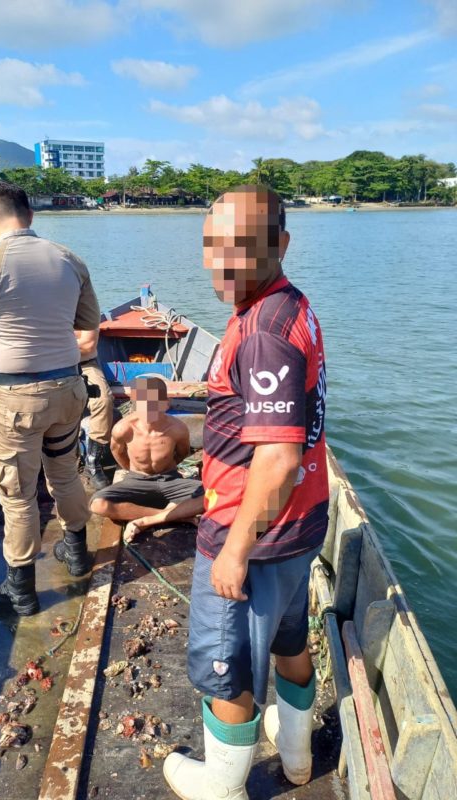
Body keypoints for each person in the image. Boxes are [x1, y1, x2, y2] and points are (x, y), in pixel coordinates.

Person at [163, 186, 329, 800]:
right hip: (302, 525)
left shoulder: (262, 330)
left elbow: (279, 456)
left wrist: (234, 549)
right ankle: (297, 757)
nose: (221, 261)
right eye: (212, 245)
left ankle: (223, 787)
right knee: (290, 640)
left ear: (279, 245)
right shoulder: (290, 306)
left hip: (255, 535)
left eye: (240, 246)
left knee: (224, 667)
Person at [0, 180, 100, 620]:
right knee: (65, 472)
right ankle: (78, 554)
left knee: (17, 494)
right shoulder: (71, 259)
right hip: (69, 389)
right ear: (30, 216)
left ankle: (21, 592)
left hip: (16, 399)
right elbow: (88, 327)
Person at [89, 377, 203, 538]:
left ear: (166, 403)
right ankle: (174, 515)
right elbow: (118, 453)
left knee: (215, 495)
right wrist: (134, 472)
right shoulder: (123, 428)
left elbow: (182, 453)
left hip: (170, 480)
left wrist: (167, 469)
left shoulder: (178, 428)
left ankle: (146, 520)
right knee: (98, 505)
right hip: (137, 480)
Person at [76, 327, 114, 490]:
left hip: (85, 365)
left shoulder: (83, 310)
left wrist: (50, 346)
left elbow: (88, 346)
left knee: (103, 400)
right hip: (49, 367)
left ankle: (93, 461)